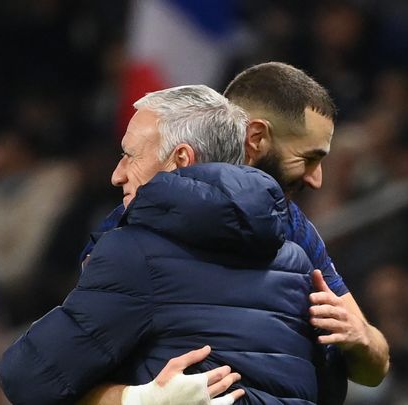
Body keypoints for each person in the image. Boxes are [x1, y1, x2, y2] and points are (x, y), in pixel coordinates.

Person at [82, 62, 390, 404]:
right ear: (255, 138)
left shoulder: (294, 227)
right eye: (308, 158)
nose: (316, 179)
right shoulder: (131, 226)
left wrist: (360, 337)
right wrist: (142, 399)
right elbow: (67, 379)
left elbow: (374, 368)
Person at [0, 84, 322, 404]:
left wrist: (140, 400)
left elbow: (28, 378)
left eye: (129, 155)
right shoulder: (299, 260)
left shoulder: (135, 253)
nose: (117, 174)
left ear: (180, 159)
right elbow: (327, 389)